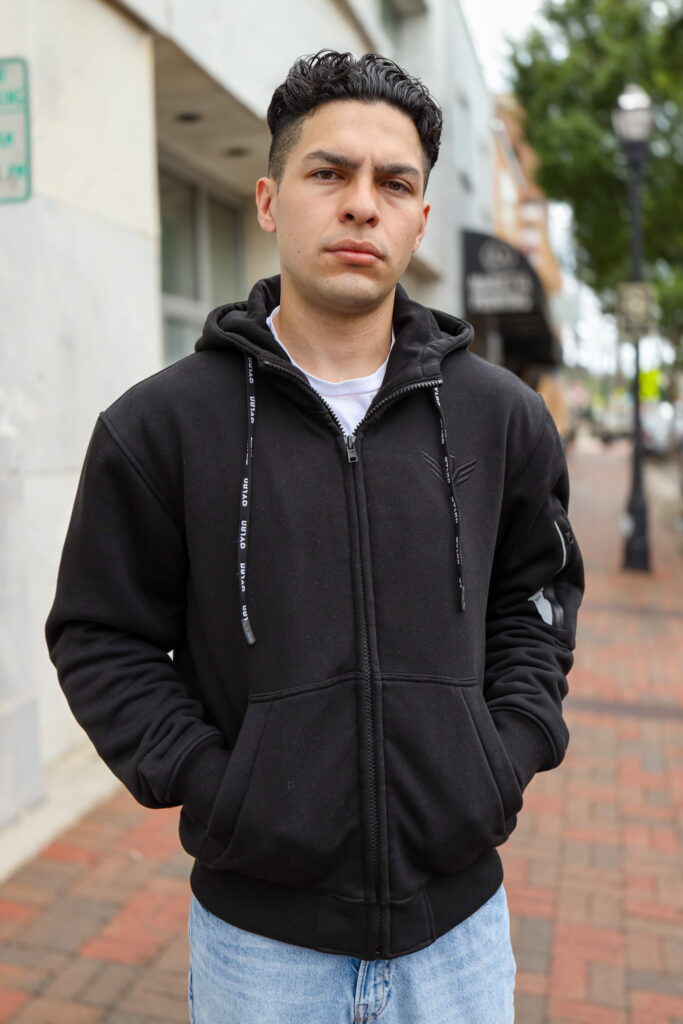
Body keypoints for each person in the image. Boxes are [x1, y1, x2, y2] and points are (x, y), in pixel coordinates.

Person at [45, 49, 584, 1024]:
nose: (361, 205)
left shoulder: (501, 418)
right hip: (260, 946)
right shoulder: (159, 427)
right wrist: (218, 786)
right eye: (328, 172)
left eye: (394, 183)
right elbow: (100, 635)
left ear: (420, 218)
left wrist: (502, 754)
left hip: (458, 936)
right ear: (268, 199)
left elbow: (535, 603)